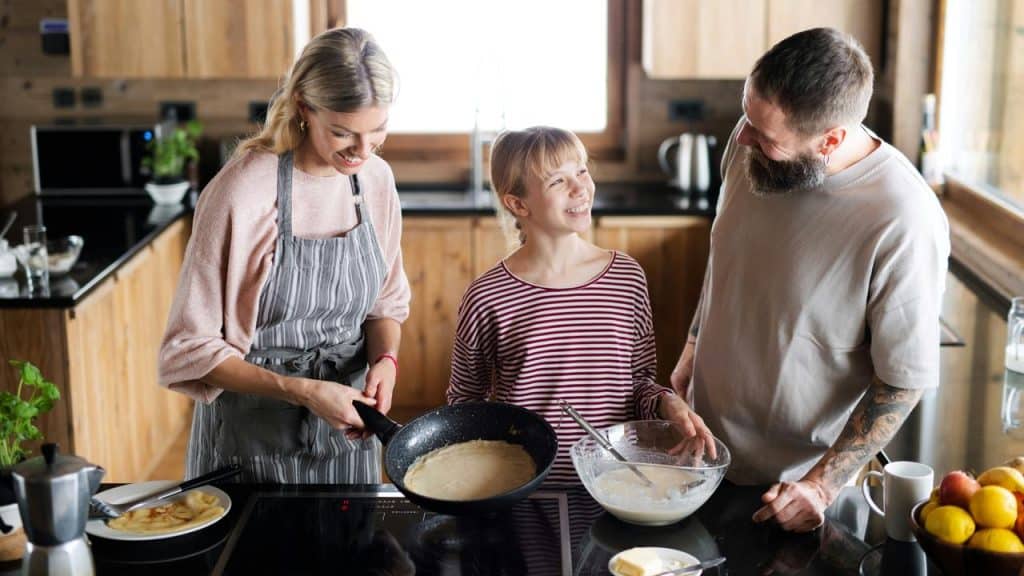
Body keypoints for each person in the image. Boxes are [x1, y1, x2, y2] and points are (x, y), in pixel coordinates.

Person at [669, 28, 950, 532]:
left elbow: (902, 381)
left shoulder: (902, 218)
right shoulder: (750, 142)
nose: (743, 138)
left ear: (831, 140)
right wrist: (694, 343)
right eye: (747, 117)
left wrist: (820, 485)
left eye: (766, 136)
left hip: (791, 493)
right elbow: (727, 257)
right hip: (704, 456)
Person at [158, 28, 410, 483]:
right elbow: (189, 347)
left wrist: (385, 362)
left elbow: (384, 304)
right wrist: (302, 390)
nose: (363, 151)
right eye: (343, 133)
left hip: (346, 436)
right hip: (250, 445)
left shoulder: (375, 180)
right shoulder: (243, 191)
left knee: (347, 552)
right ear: (303, 108)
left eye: (378, 132)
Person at [447, 126, 716, 482]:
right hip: (525, 484)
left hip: (614, 482)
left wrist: (669, 402)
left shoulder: (626, 277)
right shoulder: (488, 296)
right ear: (517, 203)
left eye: (582, 171)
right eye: (558, 181)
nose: (580, 188)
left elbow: (638, 383)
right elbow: (465, 406)